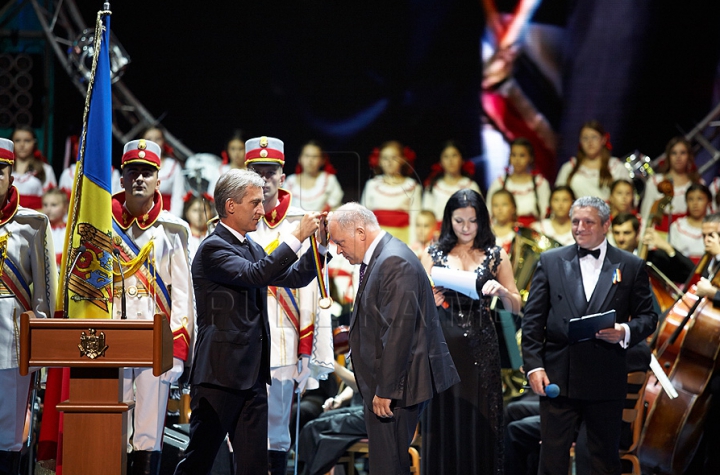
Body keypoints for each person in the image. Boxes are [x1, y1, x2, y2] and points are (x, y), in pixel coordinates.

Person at [173, 169, 327, 475]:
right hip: (220, 376)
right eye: (255, 203)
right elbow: (255, 275)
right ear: (231, 206)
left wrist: (319, 245)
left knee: (254, 467)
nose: (262, 209)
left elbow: (293, 277)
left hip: (252, 377)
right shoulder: (214, 248)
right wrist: (296, 235)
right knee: (199, 461)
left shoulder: (249, 246)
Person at [521, 196, 657, 475]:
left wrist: (624, 331)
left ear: (606, 225)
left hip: (605, 376)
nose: (579, 228)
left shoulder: (631, 265)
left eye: (588, 222)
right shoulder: (550, 261)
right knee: (552, 459)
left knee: (600, 460)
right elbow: (532, 320)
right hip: (558, 377)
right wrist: (534, 366)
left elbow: (649, 317)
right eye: (575, 222)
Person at [327, 202, 459, 475]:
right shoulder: (385, 256)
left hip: (397, 388)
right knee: (386, 464)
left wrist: (386, 389)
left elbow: (399, 332)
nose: (338, 251)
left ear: (360, 232)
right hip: (393, 384)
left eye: (340, 242)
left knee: (388, 466)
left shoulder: (393, 261)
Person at [245, 136, 333, 474]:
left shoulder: (301, 221)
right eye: (257, 171)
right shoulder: (233, 218)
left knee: (278, 433)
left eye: (271, 172)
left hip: (284, 340)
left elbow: (311, 293)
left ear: (283, 176)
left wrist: (306, 349)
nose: (265, 180)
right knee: (241, 430)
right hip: (244, 337)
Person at [420, 189, 521, 474]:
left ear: (482, 221)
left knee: (480, 417)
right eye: (459, 221)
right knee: (444, 416)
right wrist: (432, 295)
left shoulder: (495, 254)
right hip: (441, 345)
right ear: (448, 220)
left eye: (472, 221)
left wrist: (501, 292)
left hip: (480, 345)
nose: (465, 228)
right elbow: (415, 302)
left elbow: (516, 306)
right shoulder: (434, 252)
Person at [111, 139, 195, 475]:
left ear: (159, 180)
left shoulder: (173, 229)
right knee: (110, 428)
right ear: (122, 177)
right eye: (133, 171)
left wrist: (176, 350)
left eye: (147, 172)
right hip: (111, 340)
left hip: (154, 343)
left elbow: (183, 297)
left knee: (147, 435)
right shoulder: (101, 223)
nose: (140, 179)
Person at [0, 137, 57, 473]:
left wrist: (42, 348)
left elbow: (44, 297)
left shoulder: (32, 224)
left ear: (11, 174)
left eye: (1, 170)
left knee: (9, 434)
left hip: (12, 342)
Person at [360, 141, 422, 244]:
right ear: (379, 160)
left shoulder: (412, 186)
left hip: (403, 240)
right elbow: (363, 216)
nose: (389, 162)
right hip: (376, 239)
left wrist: (413, 245)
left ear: (403, 160)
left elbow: (415, 218)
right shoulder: (372, 184)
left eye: (394, 157)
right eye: (385, 158)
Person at [611, 213, 694, 284]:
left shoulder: (654, 259)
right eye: (616, 233)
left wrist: (668, 248)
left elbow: (690, 275)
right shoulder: (607, 259)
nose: (620, 238)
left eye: (626, 233)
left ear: (637, 233)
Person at [640, 136, 701, 232]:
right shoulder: (655, 182)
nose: (678, 157)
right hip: (659, 237)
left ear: (689, 156)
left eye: (683, 153)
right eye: (674, 153)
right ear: (668, 156)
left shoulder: (697, 185)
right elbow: (646, 215)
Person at [555, 120, 627, 201]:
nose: (590, 142)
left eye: (594, 137)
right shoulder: (569, 167)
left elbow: (628, 196)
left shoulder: (616, 167)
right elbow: (557, 197)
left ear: (603, 140)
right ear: (580, 142)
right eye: (585, 138)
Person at [486, 137, 550, 226]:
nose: (517, 160)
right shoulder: (499, 183)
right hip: (504, 232)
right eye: (514, 155)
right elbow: (489, 212)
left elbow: (545, 213)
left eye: (522, 155)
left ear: (530, 158)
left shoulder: (540, 184)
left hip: (532, 233)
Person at [422, 140, 481, 225]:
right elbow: (425, 217)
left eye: (454, 155)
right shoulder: (433, 187)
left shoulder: (471, 186)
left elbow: (480, 214)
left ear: (462, 159)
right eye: (446, 157)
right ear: (440, 162)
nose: (450, 160)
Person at [285, 140, 344, 212]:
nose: (310, 160)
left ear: (322, 160)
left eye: (315, 157)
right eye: (307, 156)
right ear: (300, 158)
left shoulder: (329, 180)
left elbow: (336, 207)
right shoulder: (290, 181)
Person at [141, 126, 186, 217]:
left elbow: (178, 199)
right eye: (149, 139)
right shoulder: (136, 165)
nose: (153, 142)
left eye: (158, 139)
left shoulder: (173, 166)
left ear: (164, 141)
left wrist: (171, 222)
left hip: (167, 217)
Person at [668, 183, 710, 264]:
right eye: (691, 199)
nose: (695, 204)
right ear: (686, 202)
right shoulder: (677, 226)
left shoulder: (715, 226)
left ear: (708, 202)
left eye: (700, 199)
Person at [9, 126, 50, 210]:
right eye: (17, 140)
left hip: (35, 218)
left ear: (34, 143)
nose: (22, 145)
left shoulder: (45, 169)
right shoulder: (4, 168)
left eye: (27, 141)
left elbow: (53, 198)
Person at [182, 192, 215, 262]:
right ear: (187, 213)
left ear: (211, 212)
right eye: (195, 210)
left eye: (204, 210)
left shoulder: (215, 233)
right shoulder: (181, 235)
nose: (199, 215)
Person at [42, 188, 69, 265]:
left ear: (65, 207)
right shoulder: (39, 230)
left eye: (54, 205)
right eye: (45, 205)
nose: (48, 209)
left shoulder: (69, 231)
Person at [490, 188, 517, 253]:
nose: (500, 209)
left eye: (504, 204)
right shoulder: (486, 233)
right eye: (495, 205)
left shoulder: (518, 233)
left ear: (513, 208)